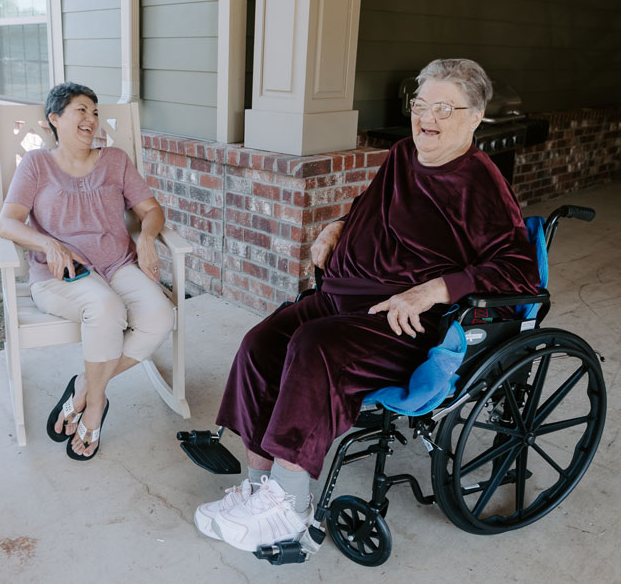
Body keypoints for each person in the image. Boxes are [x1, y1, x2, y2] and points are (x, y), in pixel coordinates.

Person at [194, 58, 542, 552]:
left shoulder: (479, 183)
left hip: (403, 320)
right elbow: (371, 210)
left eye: (445, 108)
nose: (429, 116)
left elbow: (518, 269)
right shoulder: (403, 154)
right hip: (340, 295)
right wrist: (336, 225)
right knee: (261, 344)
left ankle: (289, 507)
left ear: (475, 117)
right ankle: (259, 487)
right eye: (422, 104)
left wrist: (435, 289)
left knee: (316, 347)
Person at [0, 82, 173, 461]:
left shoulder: (115, 160)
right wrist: (48, 243)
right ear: (54, 119)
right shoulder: (36, 165)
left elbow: (151, 210)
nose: (90, 119)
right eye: (81, 110)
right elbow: (7, 222)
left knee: (160, 316)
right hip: (64, 274)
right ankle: (95, 408)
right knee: (107, 309)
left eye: (94, 112)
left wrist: (145, 238)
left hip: (118, 265)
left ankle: (83, 388)